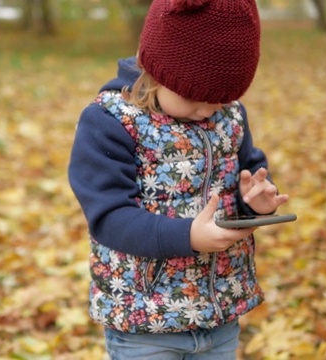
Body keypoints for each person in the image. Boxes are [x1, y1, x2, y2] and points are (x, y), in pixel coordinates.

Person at [68, 0, 289, 358]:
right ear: (158, 71)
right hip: (144, 321)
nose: (208, 110)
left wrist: (256, 201)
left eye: (221, 99)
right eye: (194, 98)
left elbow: (248, 172)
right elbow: (108, 216)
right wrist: (188, 236)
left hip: (219, 313)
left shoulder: (228, 116)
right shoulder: (110, 122)